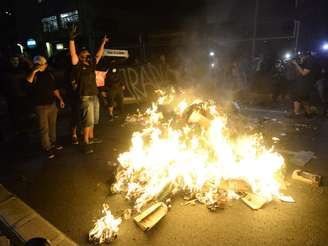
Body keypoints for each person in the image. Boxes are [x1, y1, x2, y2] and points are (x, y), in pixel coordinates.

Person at [69, 25, 109, 154]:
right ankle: (85, 143)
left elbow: (98, 55)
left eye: (87, 55)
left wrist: (103, 43)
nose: (86, 57)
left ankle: (91, 138)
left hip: (94, 95)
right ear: (80, 56)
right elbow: (73, 54)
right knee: (87, 120)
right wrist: (71, 40)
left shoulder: (91, 65)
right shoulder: (77, 66)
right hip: (84, 96)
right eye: (83, 55)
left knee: (93, 119)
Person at [26, 56, 65, 159]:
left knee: (52, 126)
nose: (38, 66)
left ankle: (53, 142)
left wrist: (60, 99)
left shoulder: (50, 74)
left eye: (40, 64)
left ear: (46, 65)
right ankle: (47, 147)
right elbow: (28, 82)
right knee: (44, 128)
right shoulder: (32, 74)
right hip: (40, 106)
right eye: (36, 64)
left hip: (51, 104)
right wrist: (34, 71)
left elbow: (54, 88)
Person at [290, 51, 318, 118]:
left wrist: (296, 63)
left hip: (305, 84)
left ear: (305, 55)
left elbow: (304, 73)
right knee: (302, 98)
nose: (300, 57)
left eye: (301, 55)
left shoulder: (310, 61)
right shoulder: (307, 61)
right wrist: (300, 63)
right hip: (302, 83)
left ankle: (300, 113)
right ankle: (306, 113)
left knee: (300, 97)